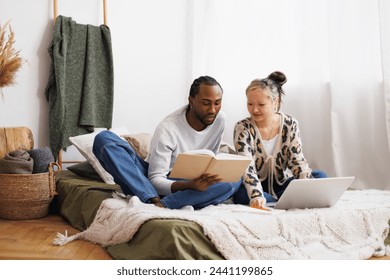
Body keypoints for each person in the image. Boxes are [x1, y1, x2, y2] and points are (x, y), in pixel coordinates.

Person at [92, 76, 242, 209]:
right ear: (191, 100)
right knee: (104, 139)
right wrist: (189, 185)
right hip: (153, 181)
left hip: (195, 182)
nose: (212, 110)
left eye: (217, 103)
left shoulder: (220, 119)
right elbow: (156, 179)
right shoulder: (168, 128)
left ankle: (167, 203)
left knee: (234, 179)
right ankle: (154, 200)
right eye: (206, 103)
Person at [233, 71, 327, 209]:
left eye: (261, 104)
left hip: (282, 183)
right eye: (250, 104)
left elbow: (297, 162)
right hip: (253, 185)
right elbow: (247, 169)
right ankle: (275, 201)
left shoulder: (290, 124)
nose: (254, 109)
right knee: (240, 194)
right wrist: (257, 196)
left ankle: (282, 200)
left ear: (274, 102)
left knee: (320, 176)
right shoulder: (243, 128)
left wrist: (307, 188)